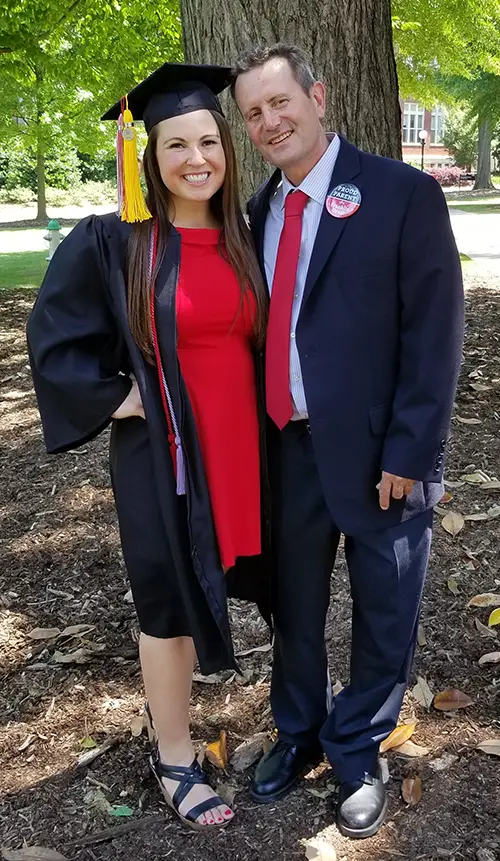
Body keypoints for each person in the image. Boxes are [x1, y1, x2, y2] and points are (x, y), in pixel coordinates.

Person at [27, 62, 270, 831]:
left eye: (208, 141)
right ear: (150, 156)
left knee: (278, 580)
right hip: (167, 452)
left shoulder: (246, 234)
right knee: (165, 602)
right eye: (175, 145)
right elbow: (55, 337)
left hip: (248, 451)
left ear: (227, 149)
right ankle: (174, 755)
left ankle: (298, 721)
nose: (196, 159)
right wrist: (117, 395)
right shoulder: (115, 241)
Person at [231, 43, 464, 839]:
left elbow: (434, 337)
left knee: (384, 607)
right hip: (287, 450)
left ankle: (359, 748)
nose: (270, 121)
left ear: (318, 96)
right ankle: (298, 729)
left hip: (380, 456)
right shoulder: (257, 213)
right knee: (293, 604)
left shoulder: (402, 194)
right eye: (254, 112)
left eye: (280, 102)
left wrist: (410, 452)